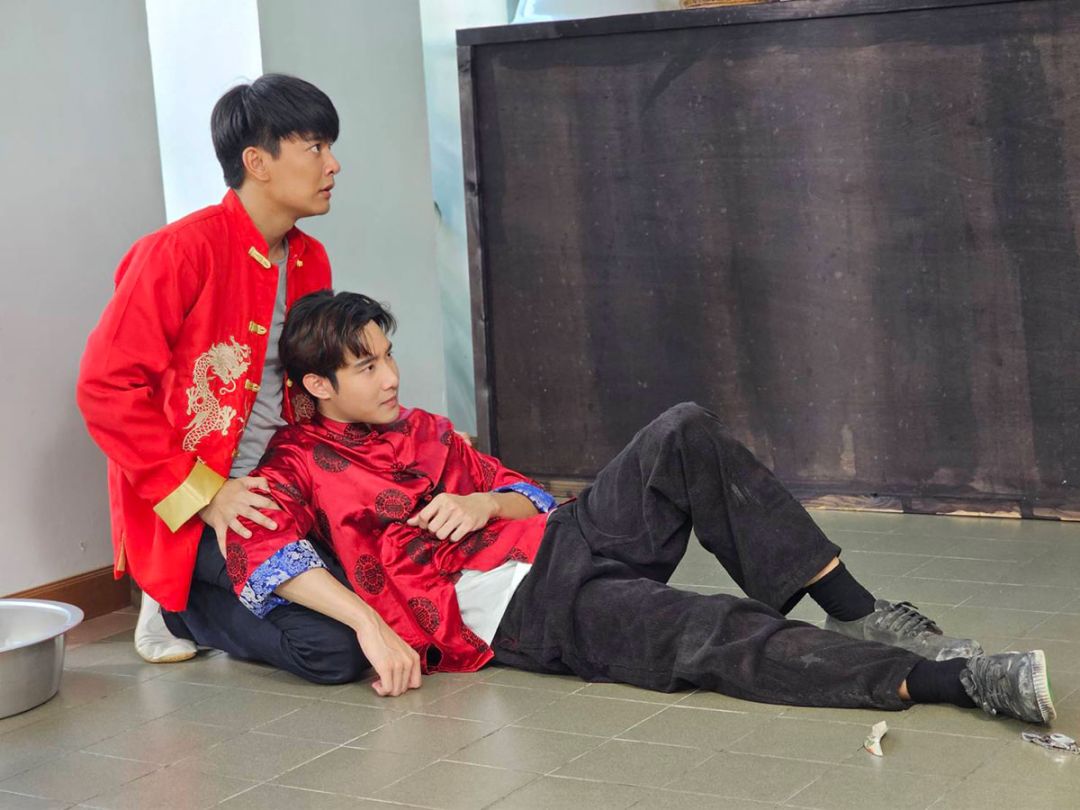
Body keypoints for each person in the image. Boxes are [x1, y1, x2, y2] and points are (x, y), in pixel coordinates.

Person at [211, 290, 1053, 723]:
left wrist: (482, 502)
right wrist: (369, 625)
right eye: (367, 367)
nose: (392, 376)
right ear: (319, 384)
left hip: (563, 538)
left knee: (681, 429)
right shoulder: (293, 466)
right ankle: (953, 682)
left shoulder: (425, 428)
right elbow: (264, 557)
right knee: (705, 626)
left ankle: (860, 612)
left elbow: (527, 494)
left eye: (388, 355)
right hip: (523, 610)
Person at [77, 74, 353, 669]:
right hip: (205, 500)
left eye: (330, 147)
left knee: (386, 591)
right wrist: (207, 493)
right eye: (315, 147)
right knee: (337, 648)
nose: (333, 165)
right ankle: (174, 603)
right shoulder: (178, 252)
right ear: (257, 162)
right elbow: (105, 388)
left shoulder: (311, 259)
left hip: (286, 487)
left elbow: (313, 384)